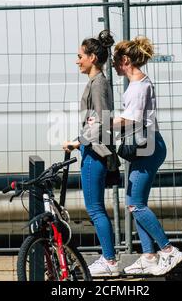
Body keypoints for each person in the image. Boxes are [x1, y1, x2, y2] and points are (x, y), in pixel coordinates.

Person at [110, 36, 182, 275]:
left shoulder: (138, 87)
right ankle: (148, 255)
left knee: (135, 203)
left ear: (125, 60)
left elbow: (132, 120)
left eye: (115, 61)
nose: (113, 65)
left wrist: (103, 122)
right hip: (147, 146)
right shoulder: (139, 83)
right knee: (134, 203)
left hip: (148, 147)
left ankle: (167, 250)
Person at [62, 30, 120, 277]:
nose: (77, 61)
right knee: (95, 208)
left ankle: (109, 261)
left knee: (95, 209)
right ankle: (108, 259)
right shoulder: (97, 82)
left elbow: (101, 121)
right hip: (92, 149)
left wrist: (78, 142)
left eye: (80, 56)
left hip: (94, 152)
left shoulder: (98, 84)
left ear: (93, 57)